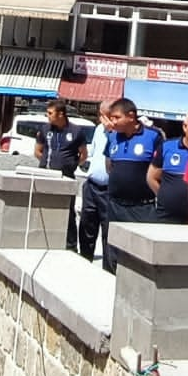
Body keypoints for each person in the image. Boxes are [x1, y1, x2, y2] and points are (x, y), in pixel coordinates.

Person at [99, 99, 167, 272]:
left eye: (116, 117)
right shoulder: (113, 136)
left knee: (139, 257)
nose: (112, 122)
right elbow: (109, 165)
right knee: (111, 253)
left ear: (131, 116)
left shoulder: (153, 136)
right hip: (114, 206)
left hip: (142, 209)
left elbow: (160, 171)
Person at [35, 101, 94, 251]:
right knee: (43, 208)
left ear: (61, 114)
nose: (47, 116)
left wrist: (71, 165)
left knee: (68, 212)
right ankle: (42, 239)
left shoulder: (76, 131)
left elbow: (83, 154)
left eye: (50, 113)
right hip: (46, 175)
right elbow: (38, 151)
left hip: (66, 178)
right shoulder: (45, 129)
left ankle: (70, 246)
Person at [77, 105, 114, 262]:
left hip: (108, 190)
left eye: (105, 116)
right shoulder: (99, 129)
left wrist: (112, 132)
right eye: (101, 115)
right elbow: (92, 151)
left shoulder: (120, 134)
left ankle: (108, 268)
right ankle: (85, 261)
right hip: (92, 185)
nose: (102, 119)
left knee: (107, 232)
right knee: (86, 227)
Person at [157, 112, 188, 224]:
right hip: (166, 218)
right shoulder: (167, 147)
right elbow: (152, 177)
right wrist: (165, 198)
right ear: (185, 126)